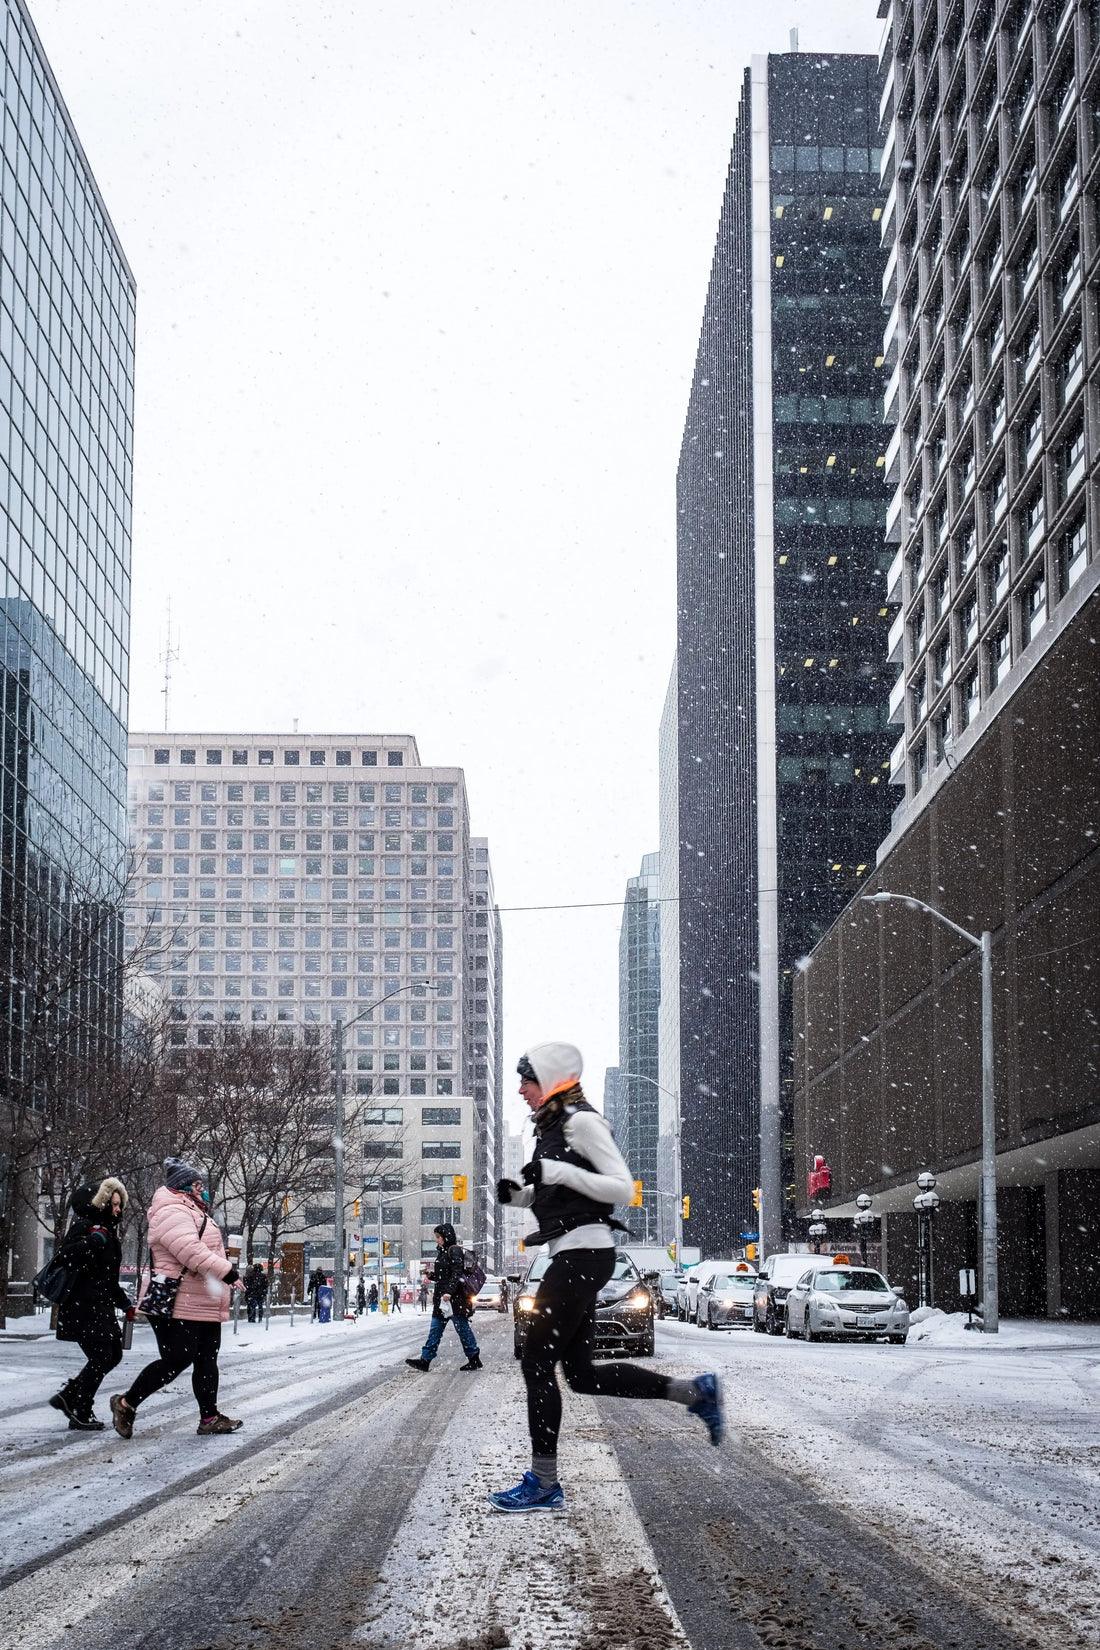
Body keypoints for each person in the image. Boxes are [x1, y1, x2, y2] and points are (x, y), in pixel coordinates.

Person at [489, 1043, 722, 1513]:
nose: (520, 1090)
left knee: (536, 1361)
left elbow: (621, 1188)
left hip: (583, 1254)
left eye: (526, 1081)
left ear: (550, 1080)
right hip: (578, 1254)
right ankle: (694, 1393)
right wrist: (519, 1195)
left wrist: (554, 1171)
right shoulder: (554, 1127)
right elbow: (562, 1193)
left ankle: (544, 1483)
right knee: (581, 1375)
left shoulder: (580, 1121)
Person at [109, 1157, 244, 1439]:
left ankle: (209, 1417)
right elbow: (189, 1251)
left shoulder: (195, 1211)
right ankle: (126, 1403)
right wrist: (226, 1270)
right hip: (176, 1300)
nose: (202, 1189)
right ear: (183, 1187)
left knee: (207, 1358)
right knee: (177, 1359)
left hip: (200, 1298)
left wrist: (223, 1264)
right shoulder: (172, 1210)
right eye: (197, 1185)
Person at [48, 1177, 132, 1431]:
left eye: (120, 1205)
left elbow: (108, 1279)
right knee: (103, 1355)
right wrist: (91, 1242)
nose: (118, 1210)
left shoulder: (108, 1233)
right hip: (82, 1305)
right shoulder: (86, 1227)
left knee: (112, 1354)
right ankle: (80, 1408)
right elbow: (65, 1257)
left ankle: (70, 1397)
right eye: (114, 1204)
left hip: (99, 1305)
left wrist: (126, 1304)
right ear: (102, 1204)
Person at [405, 1223, 481, 1372]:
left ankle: (474, 1358)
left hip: (454, 1300)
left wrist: (449, 1292)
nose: (436, 1240)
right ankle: (425, 1360)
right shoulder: (443, 1252)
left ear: (446, 1237)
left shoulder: (454, 1251)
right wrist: (431, 1275)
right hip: (442, 1300)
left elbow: (456, 1274)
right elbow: (444, 1276)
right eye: (436, 1237)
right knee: (435, 1329)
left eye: (438, 1237)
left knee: (462, 1329)